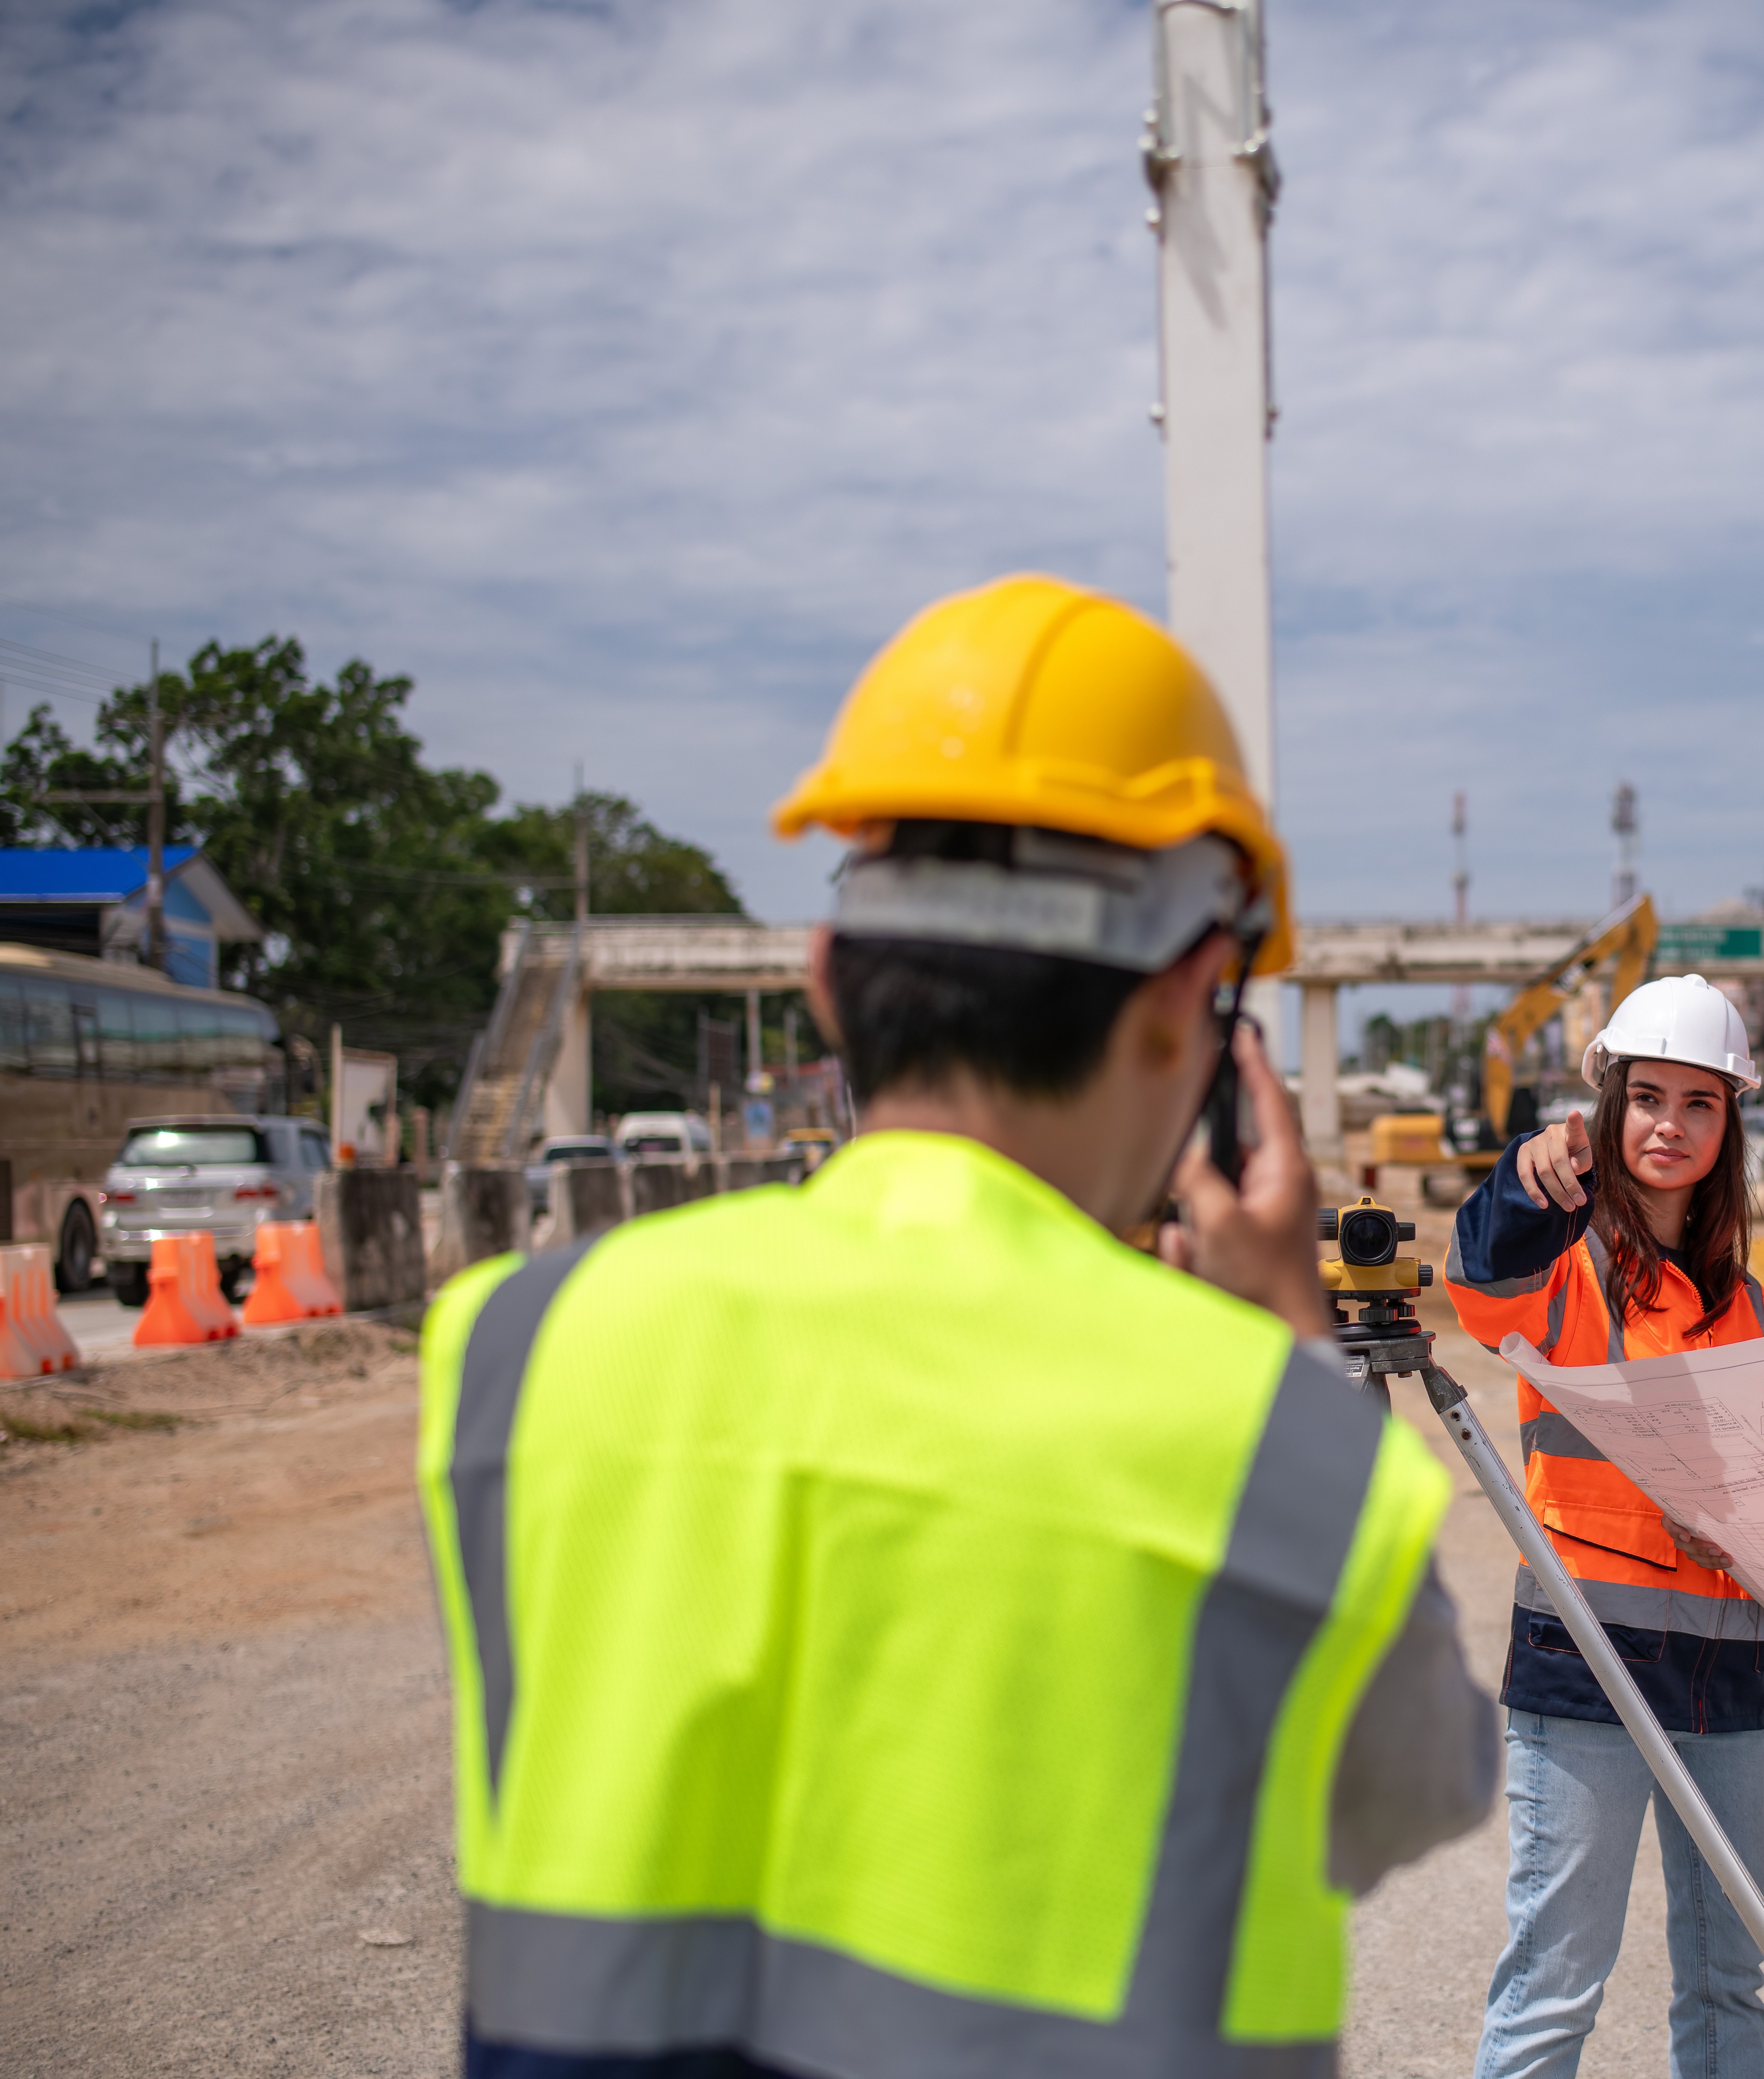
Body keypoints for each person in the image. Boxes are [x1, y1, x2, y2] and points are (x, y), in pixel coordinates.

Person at [417, 575, 1497, 2079]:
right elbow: (1421, 1788)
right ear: (1192, 1005)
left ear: (825, 983)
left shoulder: (522, 1347)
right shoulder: (1268, 1444)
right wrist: (1288, 1343)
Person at [1445, 975, 1764, 2079]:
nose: (1669, 1124)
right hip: (1591, 1676)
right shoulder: (1566, 1272)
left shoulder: (1753, 1310)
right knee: (1553, 1987)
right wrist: (1528, 1180)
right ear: (1607, 1110)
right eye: (1646, 1097)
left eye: (1698, 1103)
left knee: (1728, 1986)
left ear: (1729, 1123)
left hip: (1738, 1693)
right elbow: (1482, 1273)